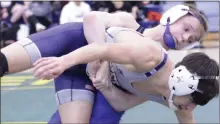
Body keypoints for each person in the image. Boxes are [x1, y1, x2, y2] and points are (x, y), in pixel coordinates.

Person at [0, 4, 208, 123]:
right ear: (171, 17)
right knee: (4, 61)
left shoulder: (162, 70)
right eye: (186, 29)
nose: (184, 38)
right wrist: (99, 59)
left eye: (191, 40)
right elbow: (91, 19)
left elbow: (125, 102)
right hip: (73, 48)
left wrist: (104, 84)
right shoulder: (129, 23)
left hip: (92, 81)